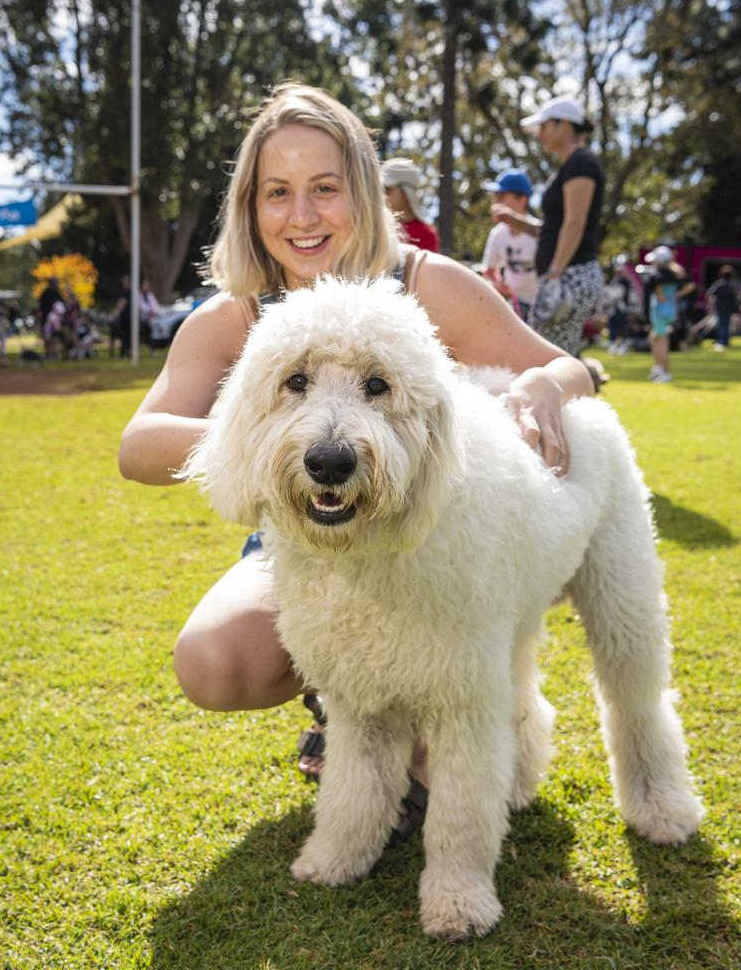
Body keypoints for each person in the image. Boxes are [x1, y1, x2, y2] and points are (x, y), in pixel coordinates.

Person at [118, 83, 593, 805]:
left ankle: (447, 700)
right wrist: (269, 431)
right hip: (311, 543)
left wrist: (545, 388)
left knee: (444, 766)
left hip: (431, 543)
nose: (302, 216)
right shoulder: (235, 313)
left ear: (366, 193)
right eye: (277, 192)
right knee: (216, 661)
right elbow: (139, 445)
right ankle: (341, 701)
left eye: (324, 189)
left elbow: (569, 365)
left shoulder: (426, 283)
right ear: (250, 206)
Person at [491, 96, 605, 357]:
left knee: (546, 358)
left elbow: (574, 223)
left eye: (544, 127)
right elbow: (552, 229)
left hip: (570, 275)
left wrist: (555, 273)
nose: (539, 135)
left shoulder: (581, 164)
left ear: (564, 125)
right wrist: (515, 219)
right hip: (565, 274)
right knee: (556, 355)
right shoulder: (571, 165)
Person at [481, 170, 538, 321]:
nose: (496, 202)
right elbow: (489, 271)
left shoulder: (538, 232)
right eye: (495, 197)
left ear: (522, 199)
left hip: (543, 304)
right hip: (514, 305)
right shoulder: (498, 234)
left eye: (502, 196)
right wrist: (498, 285)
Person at [644, 245, 695, 383]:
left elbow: (659, 295)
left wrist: (674, 295)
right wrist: (677, 295)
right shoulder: (675, 274)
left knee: (661, 342)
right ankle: (657, 368)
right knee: (653, 338)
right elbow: (690, 285)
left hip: (660, 312)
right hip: (670, 311)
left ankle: (664, 372)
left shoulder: (657, 276)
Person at [381, 157, 440, 252]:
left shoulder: (425, 234)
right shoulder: (378, 229)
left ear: (406, 191)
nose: (383, 197)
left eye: (387, 190)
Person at [706, 264, 739, 351]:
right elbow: (736, 297)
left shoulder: (718, 284)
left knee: (722, 325)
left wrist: (710, 305)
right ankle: (725, 341)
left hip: (720, 307)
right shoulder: (732, 284)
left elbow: (710, 294)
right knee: (726, 325)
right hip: (729, 308)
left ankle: (722, 341)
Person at [139, 279, 161, 352]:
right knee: (142, 335)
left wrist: (153, 311)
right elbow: (141, 306)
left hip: (150, 319)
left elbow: (155, 305)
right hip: (142, 319)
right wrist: (148, 311)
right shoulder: (139, 295)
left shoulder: (150, 295)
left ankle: (152, 349)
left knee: (149, 335)